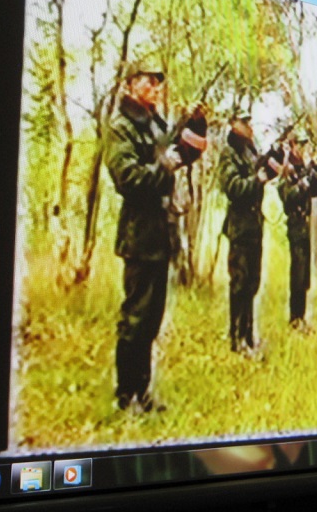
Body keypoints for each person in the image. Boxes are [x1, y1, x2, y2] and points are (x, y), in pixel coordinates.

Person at [105, 62, 204, 413]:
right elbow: (128, 179)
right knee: (135, 318)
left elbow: (180, 148)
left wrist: (191, 122)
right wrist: (166, 164)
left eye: (159, 83)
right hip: (139, 235)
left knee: (151, 320)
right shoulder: (120, 127)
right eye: (149, 82)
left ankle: (143, 393)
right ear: (130, 85)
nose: (156, 88)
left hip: (161, 235)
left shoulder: (157, 124)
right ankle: (125, 396)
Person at [218, 113, 270, 358]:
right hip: (239, 226)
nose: (249, 126)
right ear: (233, 125)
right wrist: (256, 181)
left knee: (252, 283)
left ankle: (249, 335)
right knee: (239, 283)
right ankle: (236, 338)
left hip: (254, 226)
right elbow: (233, 187)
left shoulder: (250, 151)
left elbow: (260, 174)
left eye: (250, 122)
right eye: (244, 122)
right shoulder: (229, 153)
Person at [276, 133, 317, 332]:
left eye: (305, 145)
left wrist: (315, 169)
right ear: (293, 145)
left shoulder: (303, 168)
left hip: (305, 225)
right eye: (300, 145)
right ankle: (294, 318)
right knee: (297, 272)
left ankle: (301, 316)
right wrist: (301, 184)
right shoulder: (287, 169)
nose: (303, 149)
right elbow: (287, 196)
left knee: (304, 274)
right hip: (295, 224)